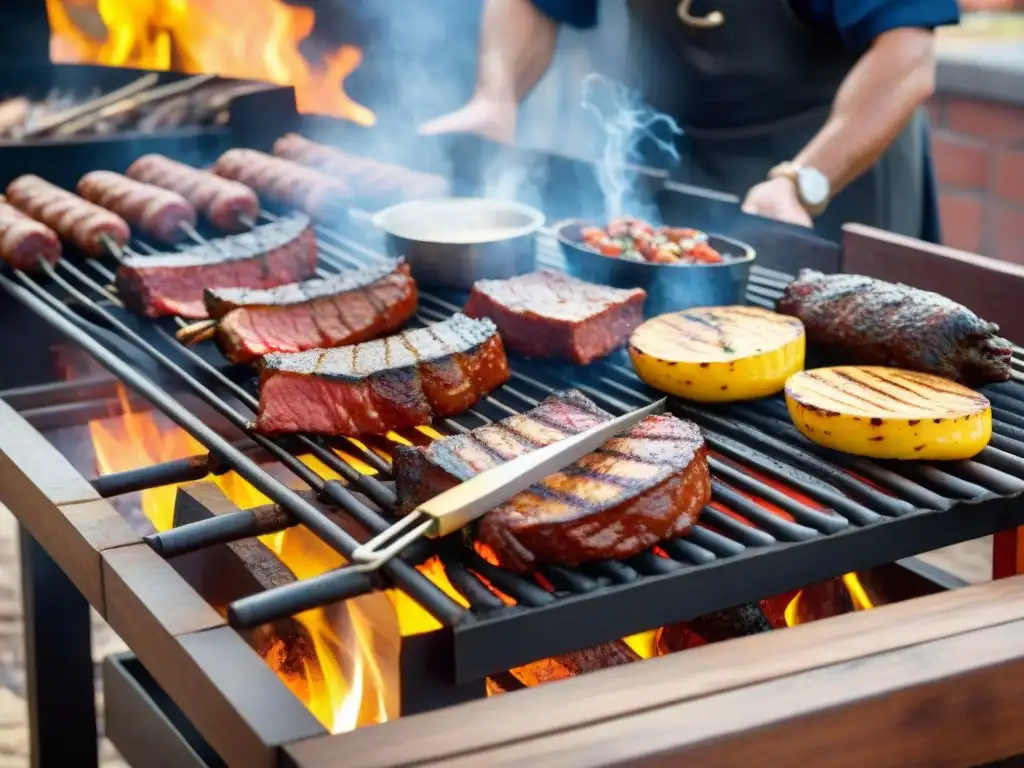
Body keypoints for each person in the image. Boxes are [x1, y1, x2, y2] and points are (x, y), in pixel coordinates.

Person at [420, 0, 960, 244]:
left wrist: (802, 182)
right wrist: (496, 95)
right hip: (687, 155)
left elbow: (908, 57)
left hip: (833, 160)